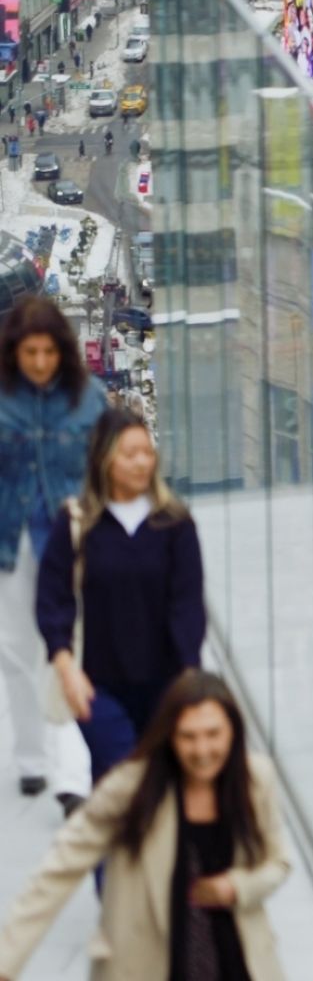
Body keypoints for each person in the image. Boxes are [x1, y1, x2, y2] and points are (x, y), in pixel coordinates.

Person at [0, 670, 293, 980]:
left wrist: (236, 887)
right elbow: (59, 869)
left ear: (233, 732)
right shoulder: (130, 788)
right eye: (188, 736)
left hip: (235, 960)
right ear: (169, 736)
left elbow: (278, 862)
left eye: (213, 734)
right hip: (147, 963)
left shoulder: (255, 779)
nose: (202, 751)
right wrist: (6, 960)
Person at [39, 407, 207, 784]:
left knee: (159, 785)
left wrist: (190, 679)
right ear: (104, 458)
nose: (141, 463)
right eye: (130, 454)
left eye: (147, 453)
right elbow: (53, 600)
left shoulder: (175, 524)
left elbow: (188, 607)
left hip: (165, 686)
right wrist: (67, 670)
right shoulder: (77, 523)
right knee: (121, 779)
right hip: (97, 687)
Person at [0, 297, 105, 814]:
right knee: (17, 652)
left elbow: (110, 472)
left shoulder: (90, 402)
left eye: (48, 352)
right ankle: (31, 760)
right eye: (29, 352)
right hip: (11, 541)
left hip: (72, 538)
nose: (39, 363)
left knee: (68, 648)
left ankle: (72, 773)